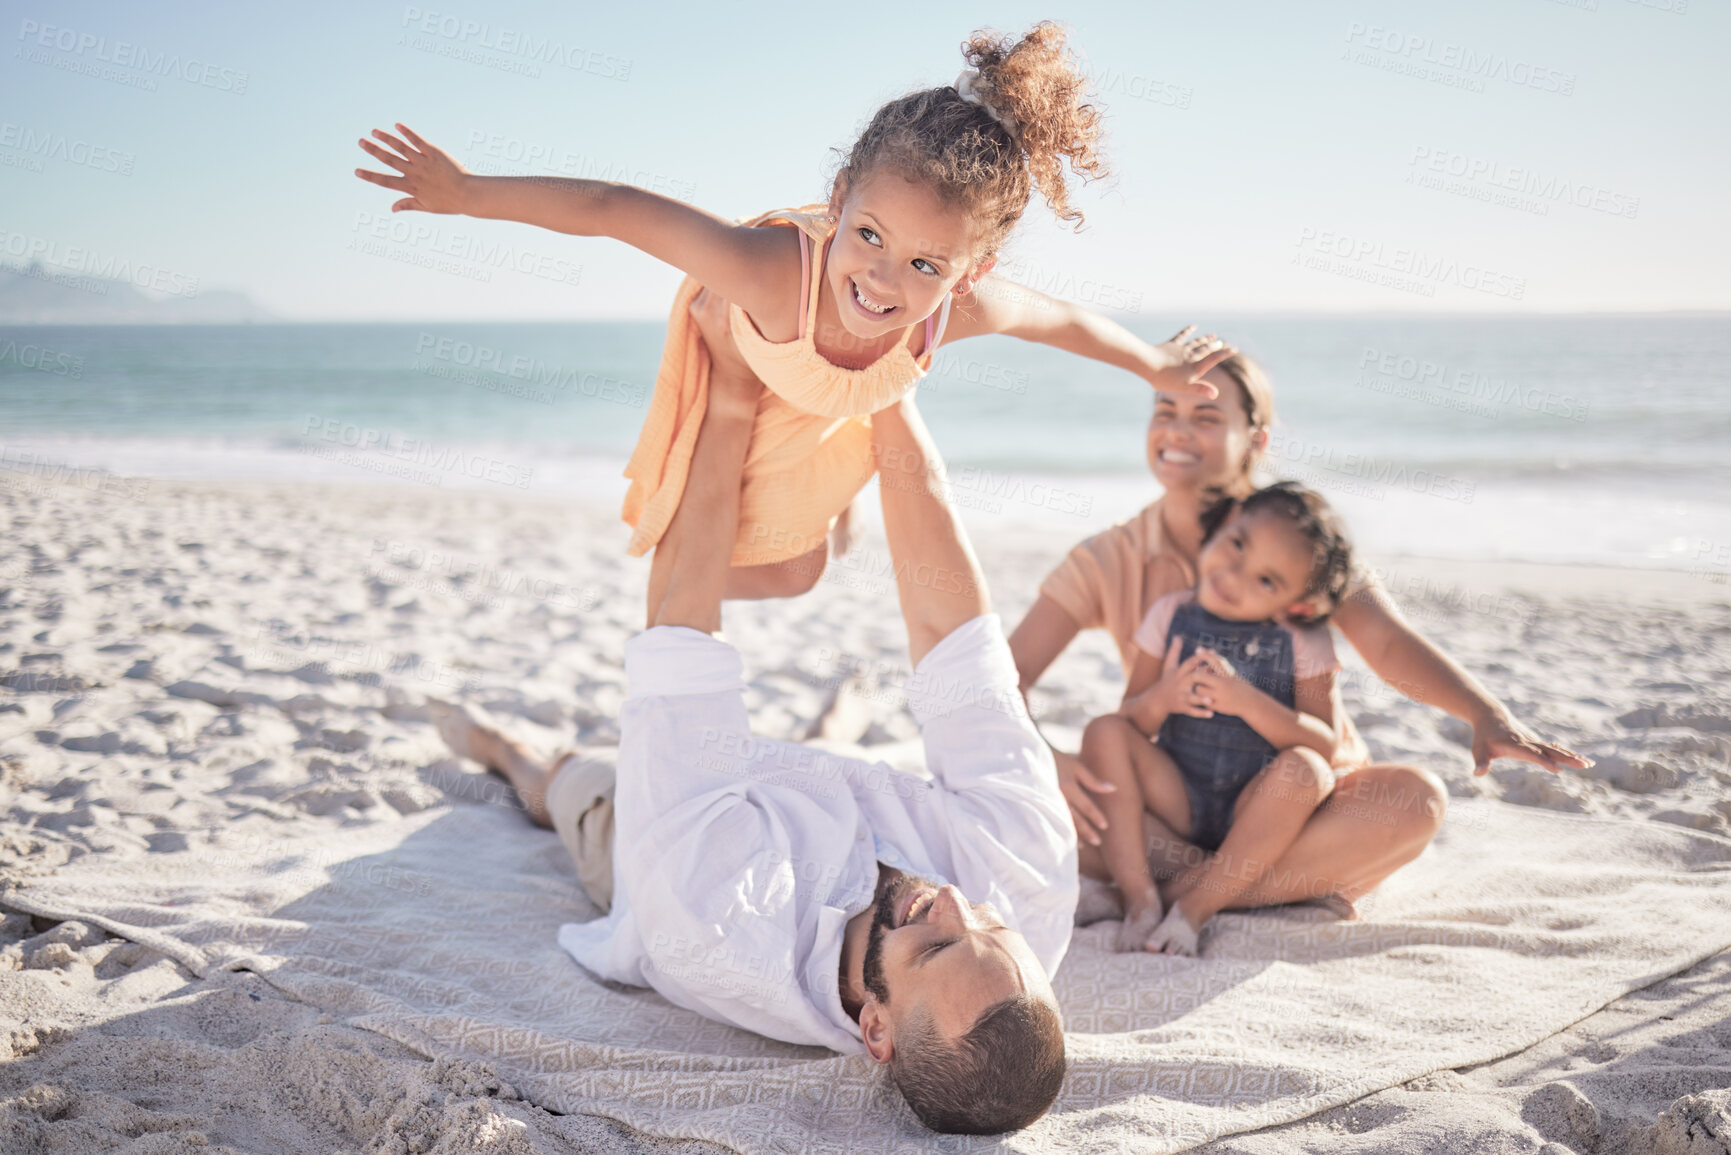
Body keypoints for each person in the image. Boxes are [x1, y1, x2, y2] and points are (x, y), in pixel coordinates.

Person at [438, 294, 1077, 1135]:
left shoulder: (711, 915)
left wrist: (734, 391)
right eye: (991, 927)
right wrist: (888, 375)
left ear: (873, 1030)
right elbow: (958, 640)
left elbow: (676, 623)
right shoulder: (1027, 883)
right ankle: (826, 738)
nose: (955, 904)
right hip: (810, 798)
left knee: (570, 785)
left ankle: (507, 750)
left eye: (936, 947)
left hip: (659, 831)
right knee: (827, 772)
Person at [352, 21, 1232, 615]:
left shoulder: (953, 311)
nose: (884, 280)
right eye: (871, 236)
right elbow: (614, 206)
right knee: (723, 563)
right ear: (837, 199)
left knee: (804, 570)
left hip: (829, 403)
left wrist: (1153, 366)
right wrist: (465, 194)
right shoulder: (773, 274)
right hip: (756, 360)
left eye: (925, 264)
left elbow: (1060, 322)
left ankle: (831, 494)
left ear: (972, 271)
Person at [1010, 354, 1593, 924]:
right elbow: (1003, 678)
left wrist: (1484, 712)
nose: (1178, 431)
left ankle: (1185, 892)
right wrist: (1052, 760)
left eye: (1207, 417)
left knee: (1416, 800)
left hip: (1301, 806)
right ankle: (1254, 886)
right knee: (1022, 803)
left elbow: (1386, 643)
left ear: (1256, 441)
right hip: (1176, 811)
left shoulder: (1297, 539)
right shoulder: (1108, 557)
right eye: (1165, 408)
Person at [1080, 482, 1354, 956]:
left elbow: (1324, 744)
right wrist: (1163, 698)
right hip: (1179, 797)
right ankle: (1139, 898)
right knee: (1103, 731)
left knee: (1307, 770)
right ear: (1228, 524)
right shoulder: (1170, 614)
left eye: (1266, 581)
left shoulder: (1303, 640)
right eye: (1238, 545)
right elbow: (1131, 721)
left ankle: (1193, 910)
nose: (1235, 574)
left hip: (1255, 805)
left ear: (1298, 605)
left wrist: (1246, 701)